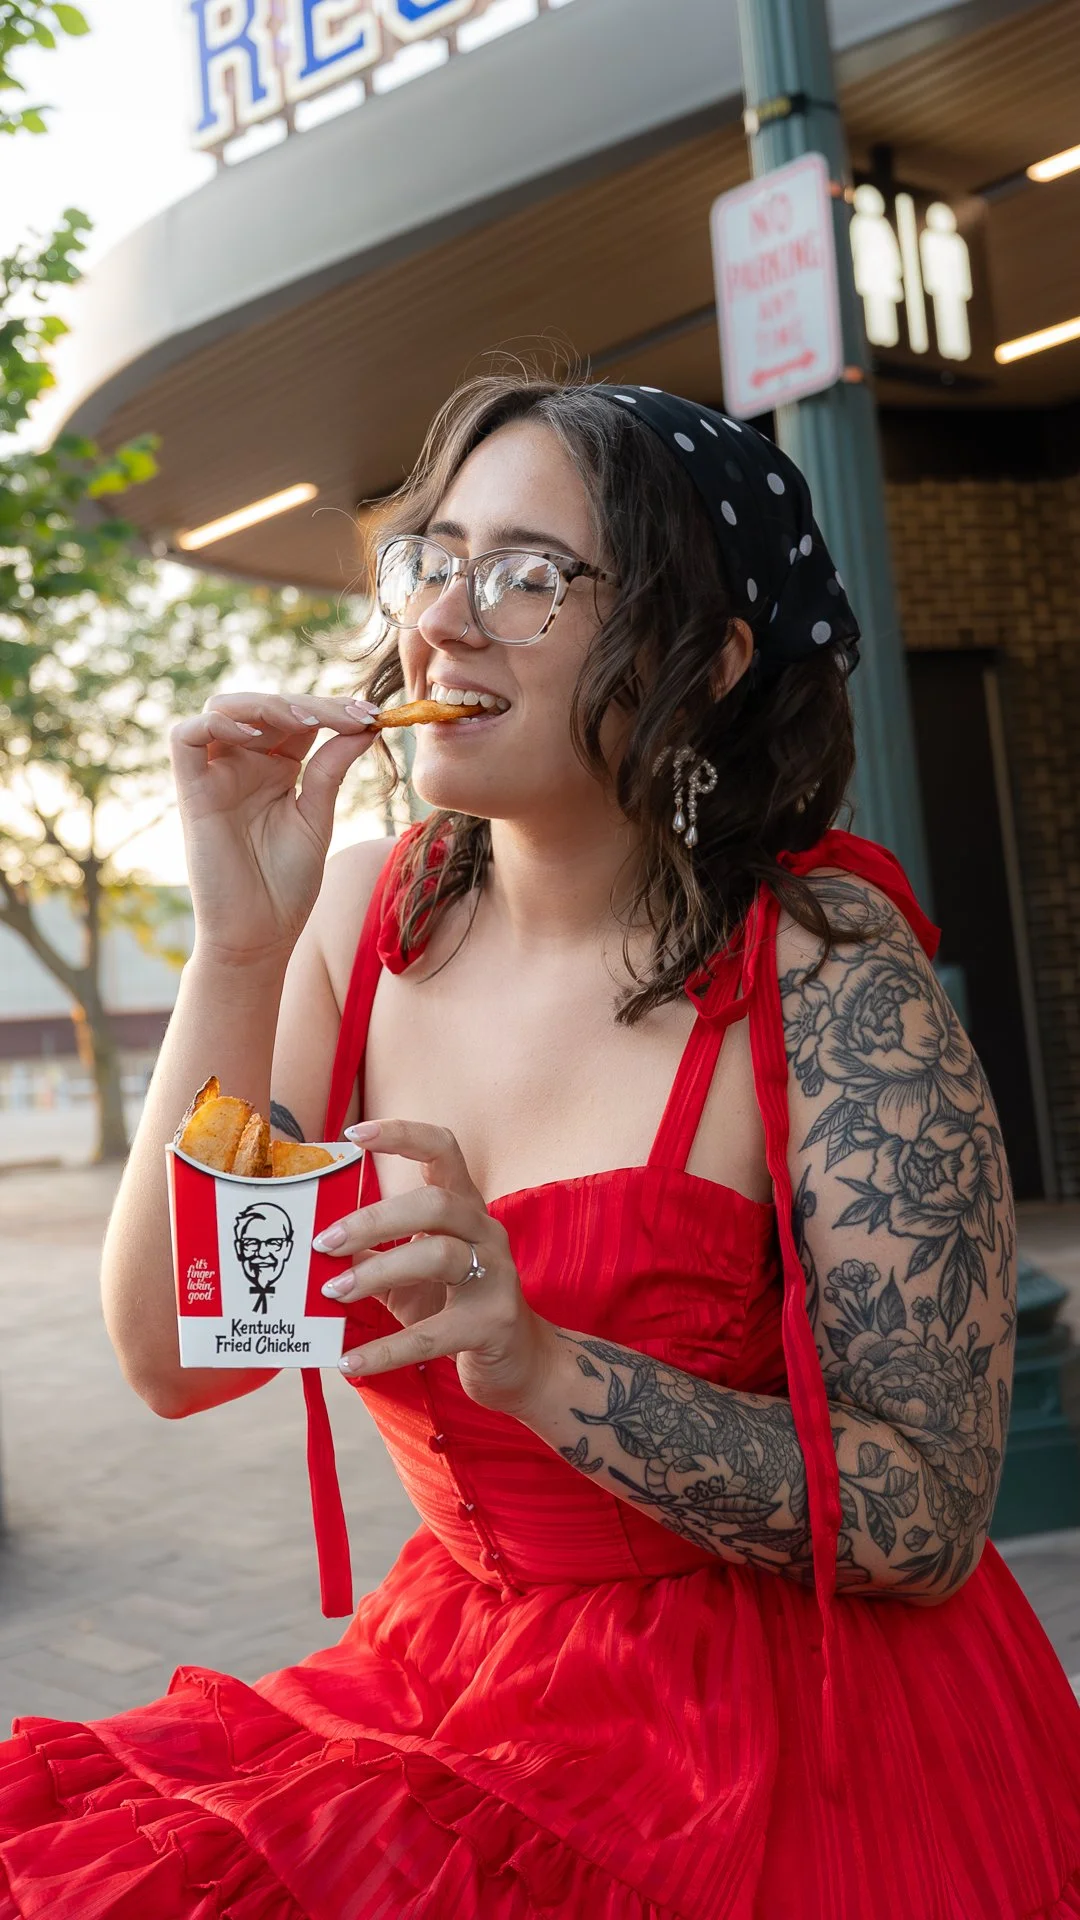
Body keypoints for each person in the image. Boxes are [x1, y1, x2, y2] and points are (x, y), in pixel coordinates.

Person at [1, 375, 1078, 1919]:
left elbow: (924, 1516)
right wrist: (239, 949)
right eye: (434, 559)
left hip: (790, 1748)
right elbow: (184, 1359)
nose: (445, 619)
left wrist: (543, 1364)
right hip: (459, 1671)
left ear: (707, 661)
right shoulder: (350, 926)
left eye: (532, 577)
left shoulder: (833, 984)